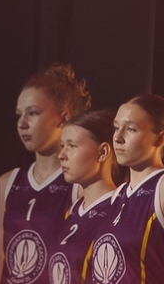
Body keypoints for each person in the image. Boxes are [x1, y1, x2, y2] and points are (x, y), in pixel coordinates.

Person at [0, 63, 90, 284]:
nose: (22, 123)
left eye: (33, 113)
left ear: (63, 118)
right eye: (19, 114)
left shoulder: (80, 185)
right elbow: (2, 262)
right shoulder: (8, 182)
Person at [93, 93, 164, 283]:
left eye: (131, 129)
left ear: (159, 139)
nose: (118, 137)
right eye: (116, 127)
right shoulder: (119, 194)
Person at [48, 108, 123, 284]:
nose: (61, 155)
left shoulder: (119, 210)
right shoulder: (73, 210)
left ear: (102, 152)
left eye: (72, 146)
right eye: (62, 145)